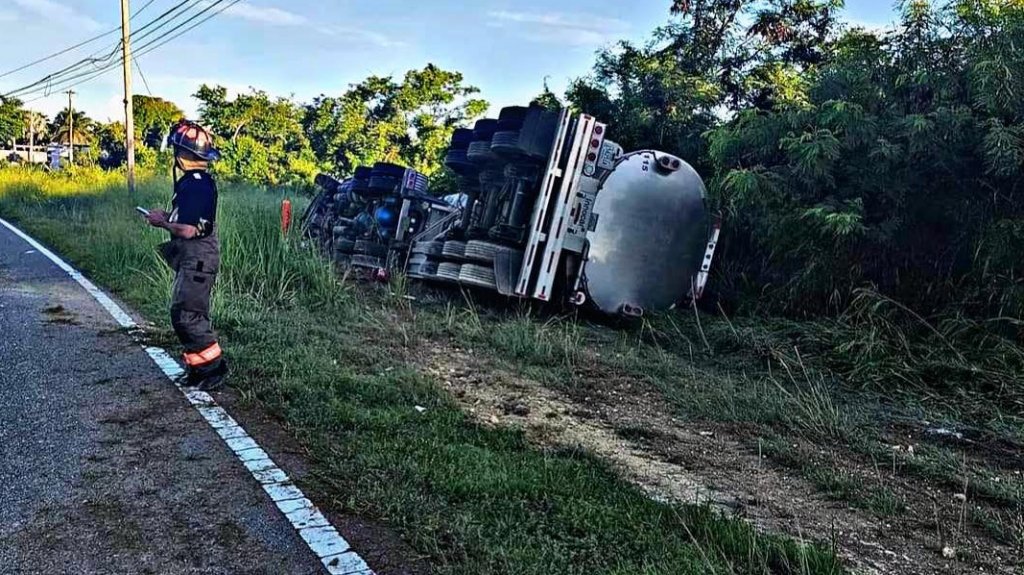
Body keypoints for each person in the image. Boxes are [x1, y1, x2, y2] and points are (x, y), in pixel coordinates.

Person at [145, 120, 228, 391]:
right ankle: (197, 370)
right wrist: (169, 216)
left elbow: (189, 230)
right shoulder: (200, 182)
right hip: (197, 257)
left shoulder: (192, 185)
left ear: (181, 154)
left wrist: (162, 223)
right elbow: (192, 219)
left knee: (188, 315)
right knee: (185, 312)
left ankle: (213, 369)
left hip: (198, 257)